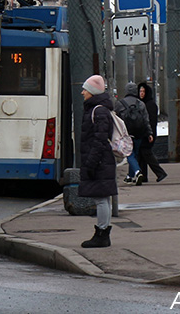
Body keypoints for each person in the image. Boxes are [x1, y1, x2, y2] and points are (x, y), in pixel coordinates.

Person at [79, 74, 118, 249]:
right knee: (103, 198)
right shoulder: (98, 109)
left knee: (101, 199)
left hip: (100, 161)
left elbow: (100, 140)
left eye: (85, 89)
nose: (82, 92)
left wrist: (91, 163)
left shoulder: (98, 111)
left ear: (93, 92)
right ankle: (103, 233)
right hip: (102, 160)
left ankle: (102, 234)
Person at [118, 82, 150, 185]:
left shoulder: (120, 104)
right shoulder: (140, 103)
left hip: (126, 133)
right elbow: (146, 120)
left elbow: (115, 119)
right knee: (134, 153)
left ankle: (137, 171)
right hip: (139, 133)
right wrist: (149, 133)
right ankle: (130, 176)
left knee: (129, 154)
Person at [136, 81, 168, 183]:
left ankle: (160, 173)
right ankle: (144, 176)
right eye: (140, 91)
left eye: (143, 91)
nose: (141, 93)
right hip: (144, 133)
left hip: (148, 134)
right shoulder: (143, 104)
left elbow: (152, 121)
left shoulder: (150, 105)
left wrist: (150, 133)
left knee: (146, 154)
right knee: (142, 155)